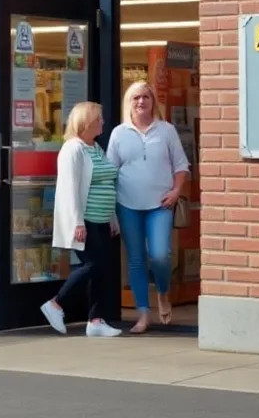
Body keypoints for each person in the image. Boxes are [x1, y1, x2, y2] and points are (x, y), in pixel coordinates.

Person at [106, 80, 190, 333]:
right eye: (135, 98)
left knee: (160, 255)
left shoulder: (166, 131)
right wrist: (111, 211)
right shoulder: (119, 133)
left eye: (146, 97)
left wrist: (176, 191)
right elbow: (110, 172)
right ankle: (143, 314)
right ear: (128, 104)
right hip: (127, 204)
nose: (141, 102)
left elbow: (181, 165)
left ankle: (163, 293)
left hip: (160, 205)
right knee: (136, 260)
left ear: (153, 101)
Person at [42, 101, 122, 337]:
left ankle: (95, 320)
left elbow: (107, 183)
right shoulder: (73, 149)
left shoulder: (95, 148)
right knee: (92, 264)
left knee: (101, 268)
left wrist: (112, 217)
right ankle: (56, 303)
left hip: (101, 218)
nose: (103, 123)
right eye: (99, 119)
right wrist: (77, 222)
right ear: (86, 122)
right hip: (85, 219)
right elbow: (69, 188)